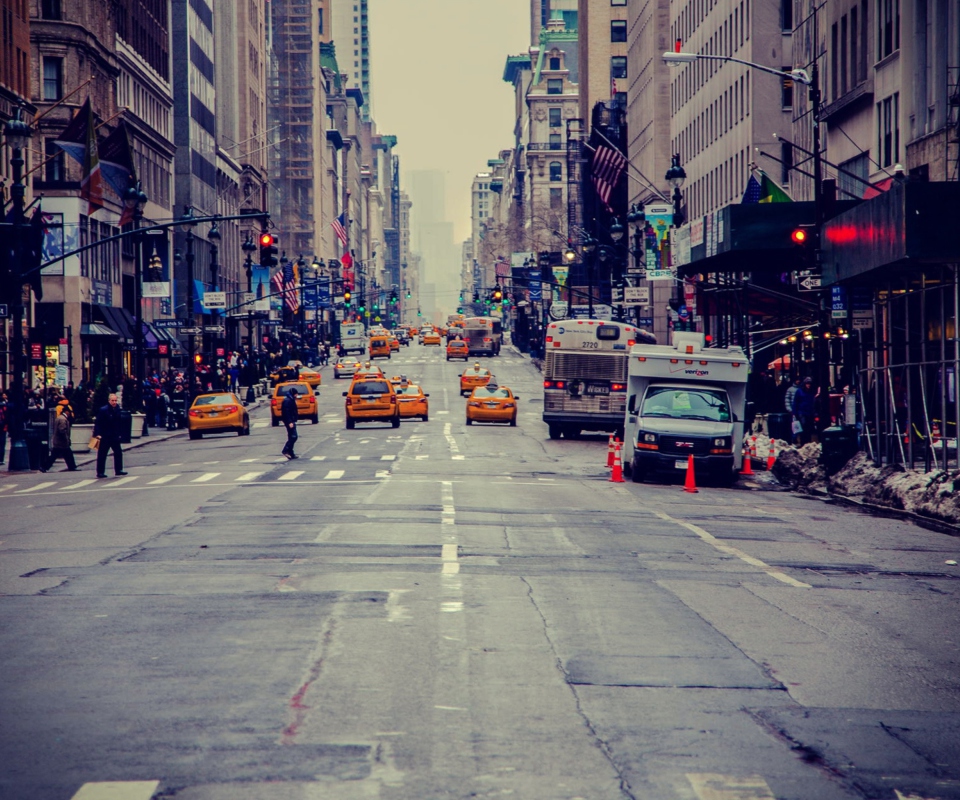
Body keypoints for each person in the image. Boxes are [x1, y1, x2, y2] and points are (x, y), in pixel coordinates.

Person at [94, 393, 128, 478]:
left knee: (118, 453)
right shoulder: (103, 410)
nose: (114, 402)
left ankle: (118, 470)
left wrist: (120, 434)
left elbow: (119, 423)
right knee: (102, 454)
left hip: (114, 435)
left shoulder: (117, 409)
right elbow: (98, 423)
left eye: (115, 400)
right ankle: (100, 472)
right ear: (109, 401)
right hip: (105, 435)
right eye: (112, 400)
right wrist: (97, 434)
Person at [42, 399, 78, 472]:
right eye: (69, 412)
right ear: (66, 412)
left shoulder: (59, 418)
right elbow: (62, 430)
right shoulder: (63, 419)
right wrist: (66, 439)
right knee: (58, 455)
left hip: (58, 441)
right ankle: (44, 467)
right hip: (61, 442)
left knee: (65, 455)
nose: (70, 414)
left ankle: (72, 466)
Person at [792, 377, 818, 445]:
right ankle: (803, 441)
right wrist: (794, 413)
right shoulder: (799, 391)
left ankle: (808, 441)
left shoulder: (811, 392)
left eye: (809, 384)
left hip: (809, 412)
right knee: (803, 426)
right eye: (807, 384)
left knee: (809, 427)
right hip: (802, 412)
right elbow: (795, 402)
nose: (808, 385)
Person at [280, 386, 300, 459]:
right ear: (293, 394)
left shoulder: (290, 400)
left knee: (291, 436)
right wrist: (290, 422)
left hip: (291, 420)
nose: (297, 396)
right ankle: (286, 450)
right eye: (296, 394)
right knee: (294, 436)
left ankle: (291, 453)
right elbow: (287, 412)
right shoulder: (288, 401)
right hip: (289, 421)